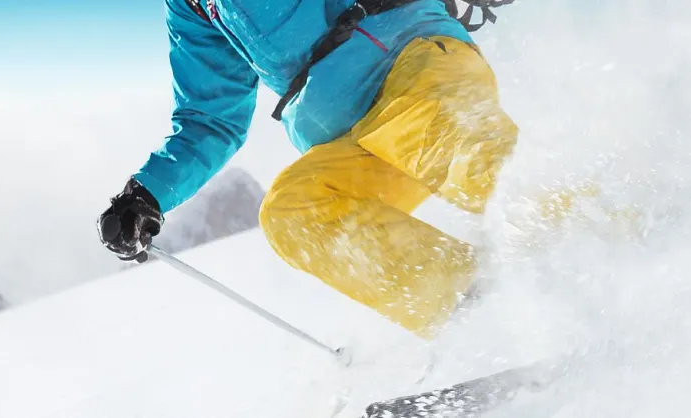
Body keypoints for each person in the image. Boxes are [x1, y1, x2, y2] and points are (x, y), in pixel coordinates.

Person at [97, 0, 518, 338]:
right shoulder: (195, 6)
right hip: (355, 137)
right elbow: (211, 117)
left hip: (413, 64)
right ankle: (479, 317)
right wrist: (145, 194)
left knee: (461, 159)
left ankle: (573, 246)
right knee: (293, 212)